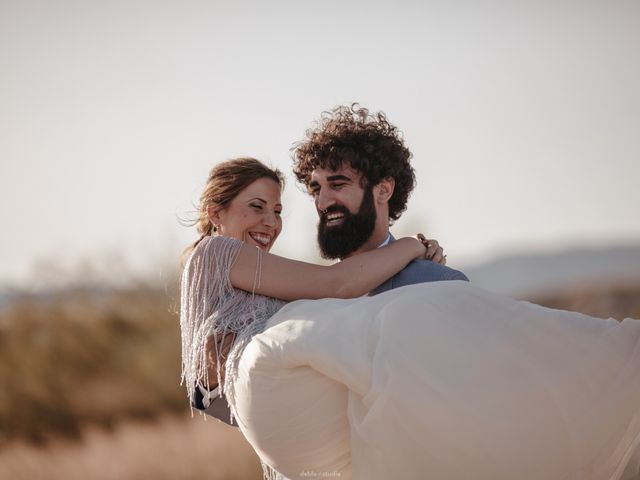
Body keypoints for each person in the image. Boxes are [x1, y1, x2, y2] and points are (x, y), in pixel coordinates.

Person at [181, 158, 640, 480]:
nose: (271, 222)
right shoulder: (216, 251)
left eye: (278, 210)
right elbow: (337, 285)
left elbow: (212, 395)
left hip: (270, 410)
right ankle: (614, 358)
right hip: (265, 382)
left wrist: (406, 267)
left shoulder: (245, 281)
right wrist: (412, 249)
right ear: (214, 213)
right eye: (256, 206)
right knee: (416, 315)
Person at [195, 105, 468, 422]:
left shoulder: (435, 283)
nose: (322, 202)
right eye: (316, 189)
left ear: (384, 189)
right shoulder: (304, 295)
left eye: (337, 185)